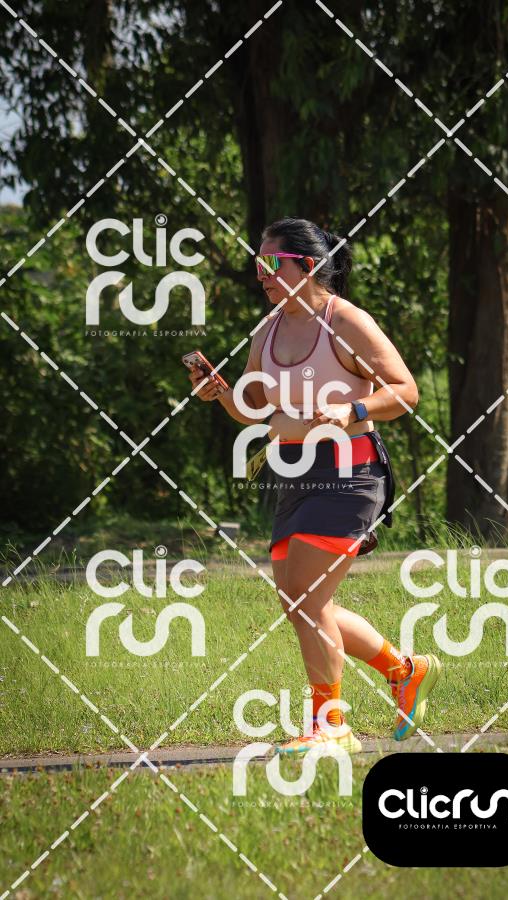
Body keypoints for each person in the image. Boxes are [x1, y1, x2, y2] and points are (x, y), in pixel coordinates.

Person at [190, 217, 441, 754]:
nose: (261, 274)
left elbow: (405, 391)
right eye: (257, 265)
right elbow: (253, 408)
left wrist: (351, 409)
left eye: (270, 263)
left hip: (349, 472)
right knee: (301, 602)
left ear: (306, 265)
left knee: (307, 599)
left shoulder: (345, 321)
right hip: (293, 474)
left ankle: (332, 726)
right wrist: (222, 393)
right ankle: (405, 671)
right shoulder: (268, 330)